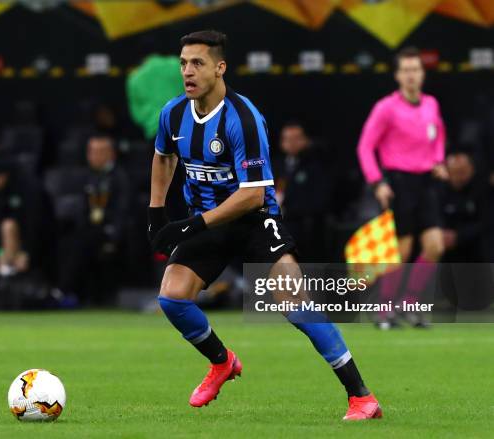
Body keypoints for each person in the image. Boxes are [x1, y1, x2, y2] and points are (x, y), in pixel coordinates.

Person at [148, 30, 381, 420]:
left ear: (220, 68)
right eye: (183, 64)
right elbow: (163, 158)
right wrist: (156, 215)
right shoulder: (172, 113)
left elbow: (253, 195)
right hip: (207, 224)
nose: (187, 71)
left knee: (295, 302)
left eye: (198, 63)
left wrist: (190, 225)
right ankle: (222, 363)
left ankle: (361, 397)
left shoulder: (244, 118)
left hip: (254, 220)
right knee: (172, 298)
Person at [357, 47, 448, 329]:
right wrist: (377, 182)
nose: (411, 75)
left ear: (422, 74)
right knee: (402, 251)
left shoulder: (431, 103)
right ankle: (384, 310)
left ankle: (410, 304)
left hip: (426, 182)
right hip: (398, 182)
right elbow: (365, 147)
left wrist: (439, 161)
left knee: (435, 245)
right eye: (405, 70)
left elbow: (439, 137)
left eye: (415, 69)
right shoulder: (386, 108)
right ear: (397, 75)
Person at [57, 134, 130, 305]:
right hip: (89, 229)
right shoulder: (87, 177)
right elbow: (83, 209)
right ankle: (69, 293)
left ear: (111, 154)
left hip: (110, 231)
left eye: (99, 152)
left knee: (82, 242)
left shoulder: (120, 178)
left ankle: (64, 291)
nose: (94, 156)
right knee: (67, 240)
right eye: (91, 152)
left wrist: (113, 236)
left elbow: (123, 210)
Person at [277, 121, 331, 261]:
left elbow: (319, 201)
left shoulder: (316, 165)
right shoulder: (276, 166)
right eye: (287, 139)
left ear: (306, 140)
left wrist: (288, 209)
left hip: (304, 229)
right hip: (276, 226)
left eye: (296, 139)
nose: (292, 143)